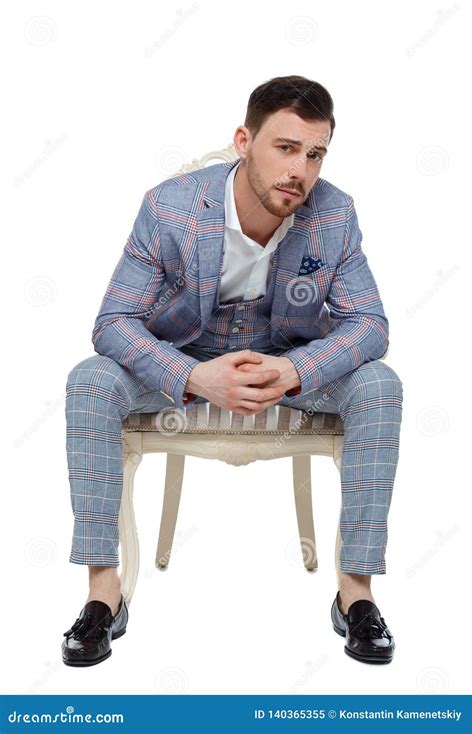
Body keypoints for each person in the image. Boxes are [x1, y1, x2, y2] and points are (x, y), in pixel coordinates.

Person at [62, 75, 403, 667]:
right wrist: (195, 378)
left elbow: (369, 326)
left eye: (315, 153)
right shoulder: (169, 209)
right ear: (244, 140)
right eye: (285, 147)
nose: (300, 170)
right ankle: (103, 593)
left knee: (381, 384)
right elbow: (114, 322)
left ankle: (356, 594)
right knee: (89, 379)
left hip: (285, 359)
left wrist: (295, 369)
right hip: (188, 357)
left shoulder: (336, 214)